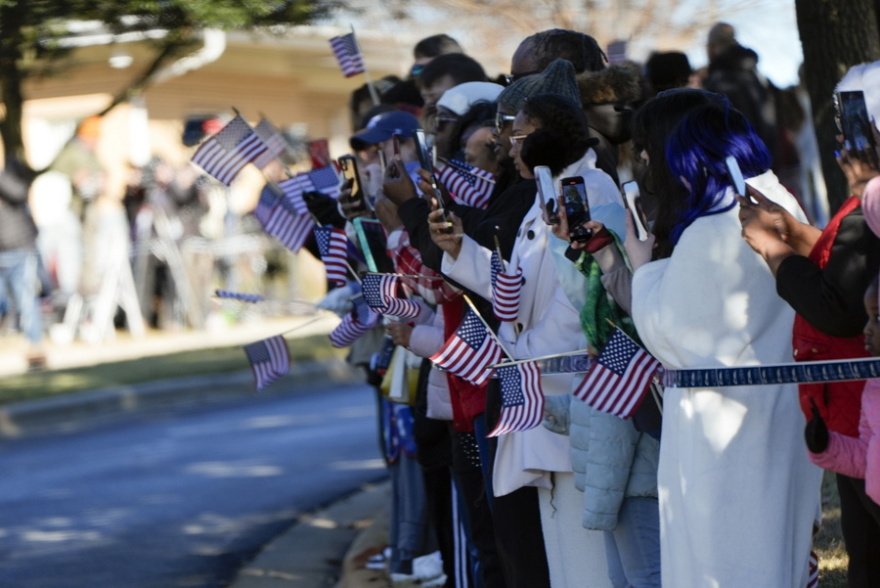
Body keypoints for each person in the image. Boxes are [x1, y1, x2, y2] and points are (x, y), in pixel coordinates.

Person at [430, 91, 624, 588]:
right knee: (554, 551)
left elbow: (582, 301)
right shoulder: (544, 191)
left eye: (519, 136)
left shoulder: (588, 187)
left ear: (548, 137)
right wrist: (461, 249)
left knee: (585, 553)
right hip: (535, 390)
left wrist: (519, 355)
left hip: (570, 392)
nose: (509, 148)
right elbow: (516, 289)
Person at [630, 99, 822, 587]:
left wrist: (642, 269)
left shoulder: (714, 226)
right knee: (775, 552)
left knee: (727, 562)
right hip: (777, 406)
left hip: (724, 423)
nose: (648, 163)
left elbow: (670, 336)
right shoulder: (774, 199)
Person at [739, 61, 880, 588]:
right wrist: (796, 233)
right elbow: (854, 264)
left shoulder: (873, 197)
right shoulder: (868, 199)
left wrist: (772, 250)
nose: (843, 139)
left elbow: (839, 308)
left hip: (861, 400)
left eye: (855, 124)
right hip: (857, 410)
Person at [0, 158, 46, 369]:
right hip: (4, 252)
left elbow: (19, 193)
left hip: (19, 249)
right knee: (3, 302)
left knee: (26, 299)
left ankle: (34, 347)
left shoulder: (8, 178)